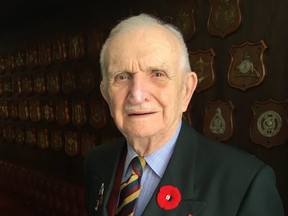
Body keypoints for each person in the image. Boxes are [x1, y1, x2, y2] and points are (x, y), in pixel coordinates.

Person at [84, 13, 284, 216]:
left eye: (158, 74)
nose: (137, 95)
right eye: (122, 76)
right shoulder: (97, 162)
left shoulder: (246, 182)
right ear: (106, 94)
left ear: (186, 90)